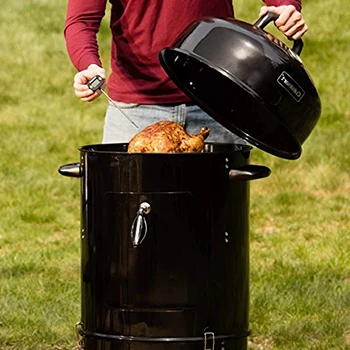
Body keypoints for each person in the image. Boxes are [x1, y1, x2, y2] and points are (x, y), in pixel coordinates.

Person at [64, 0, 308, 144]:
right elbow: (81, 20)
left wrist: (287, 8)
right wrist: (88, 64)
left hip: (219, 107)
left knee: (218, 225)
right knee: (128, 224)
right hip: (136, 111)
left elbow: (282, 2)